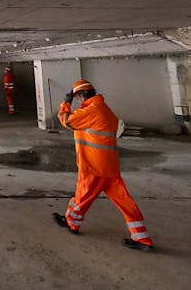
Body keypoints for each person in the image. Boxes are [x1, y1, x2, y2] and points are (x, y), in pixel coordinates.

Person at [52, 80, 154, 252]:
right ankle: (142, 237)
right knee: (124, 201)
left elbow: (66, 120)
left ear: (81, 95)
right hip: (109, 165)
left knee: (82, 196)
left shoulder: (92, 110)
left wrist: (65, 103)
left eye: (76, 97)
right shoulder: (104, 109)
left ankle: (71, 223)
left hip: (93, 165)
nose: (76, 100)